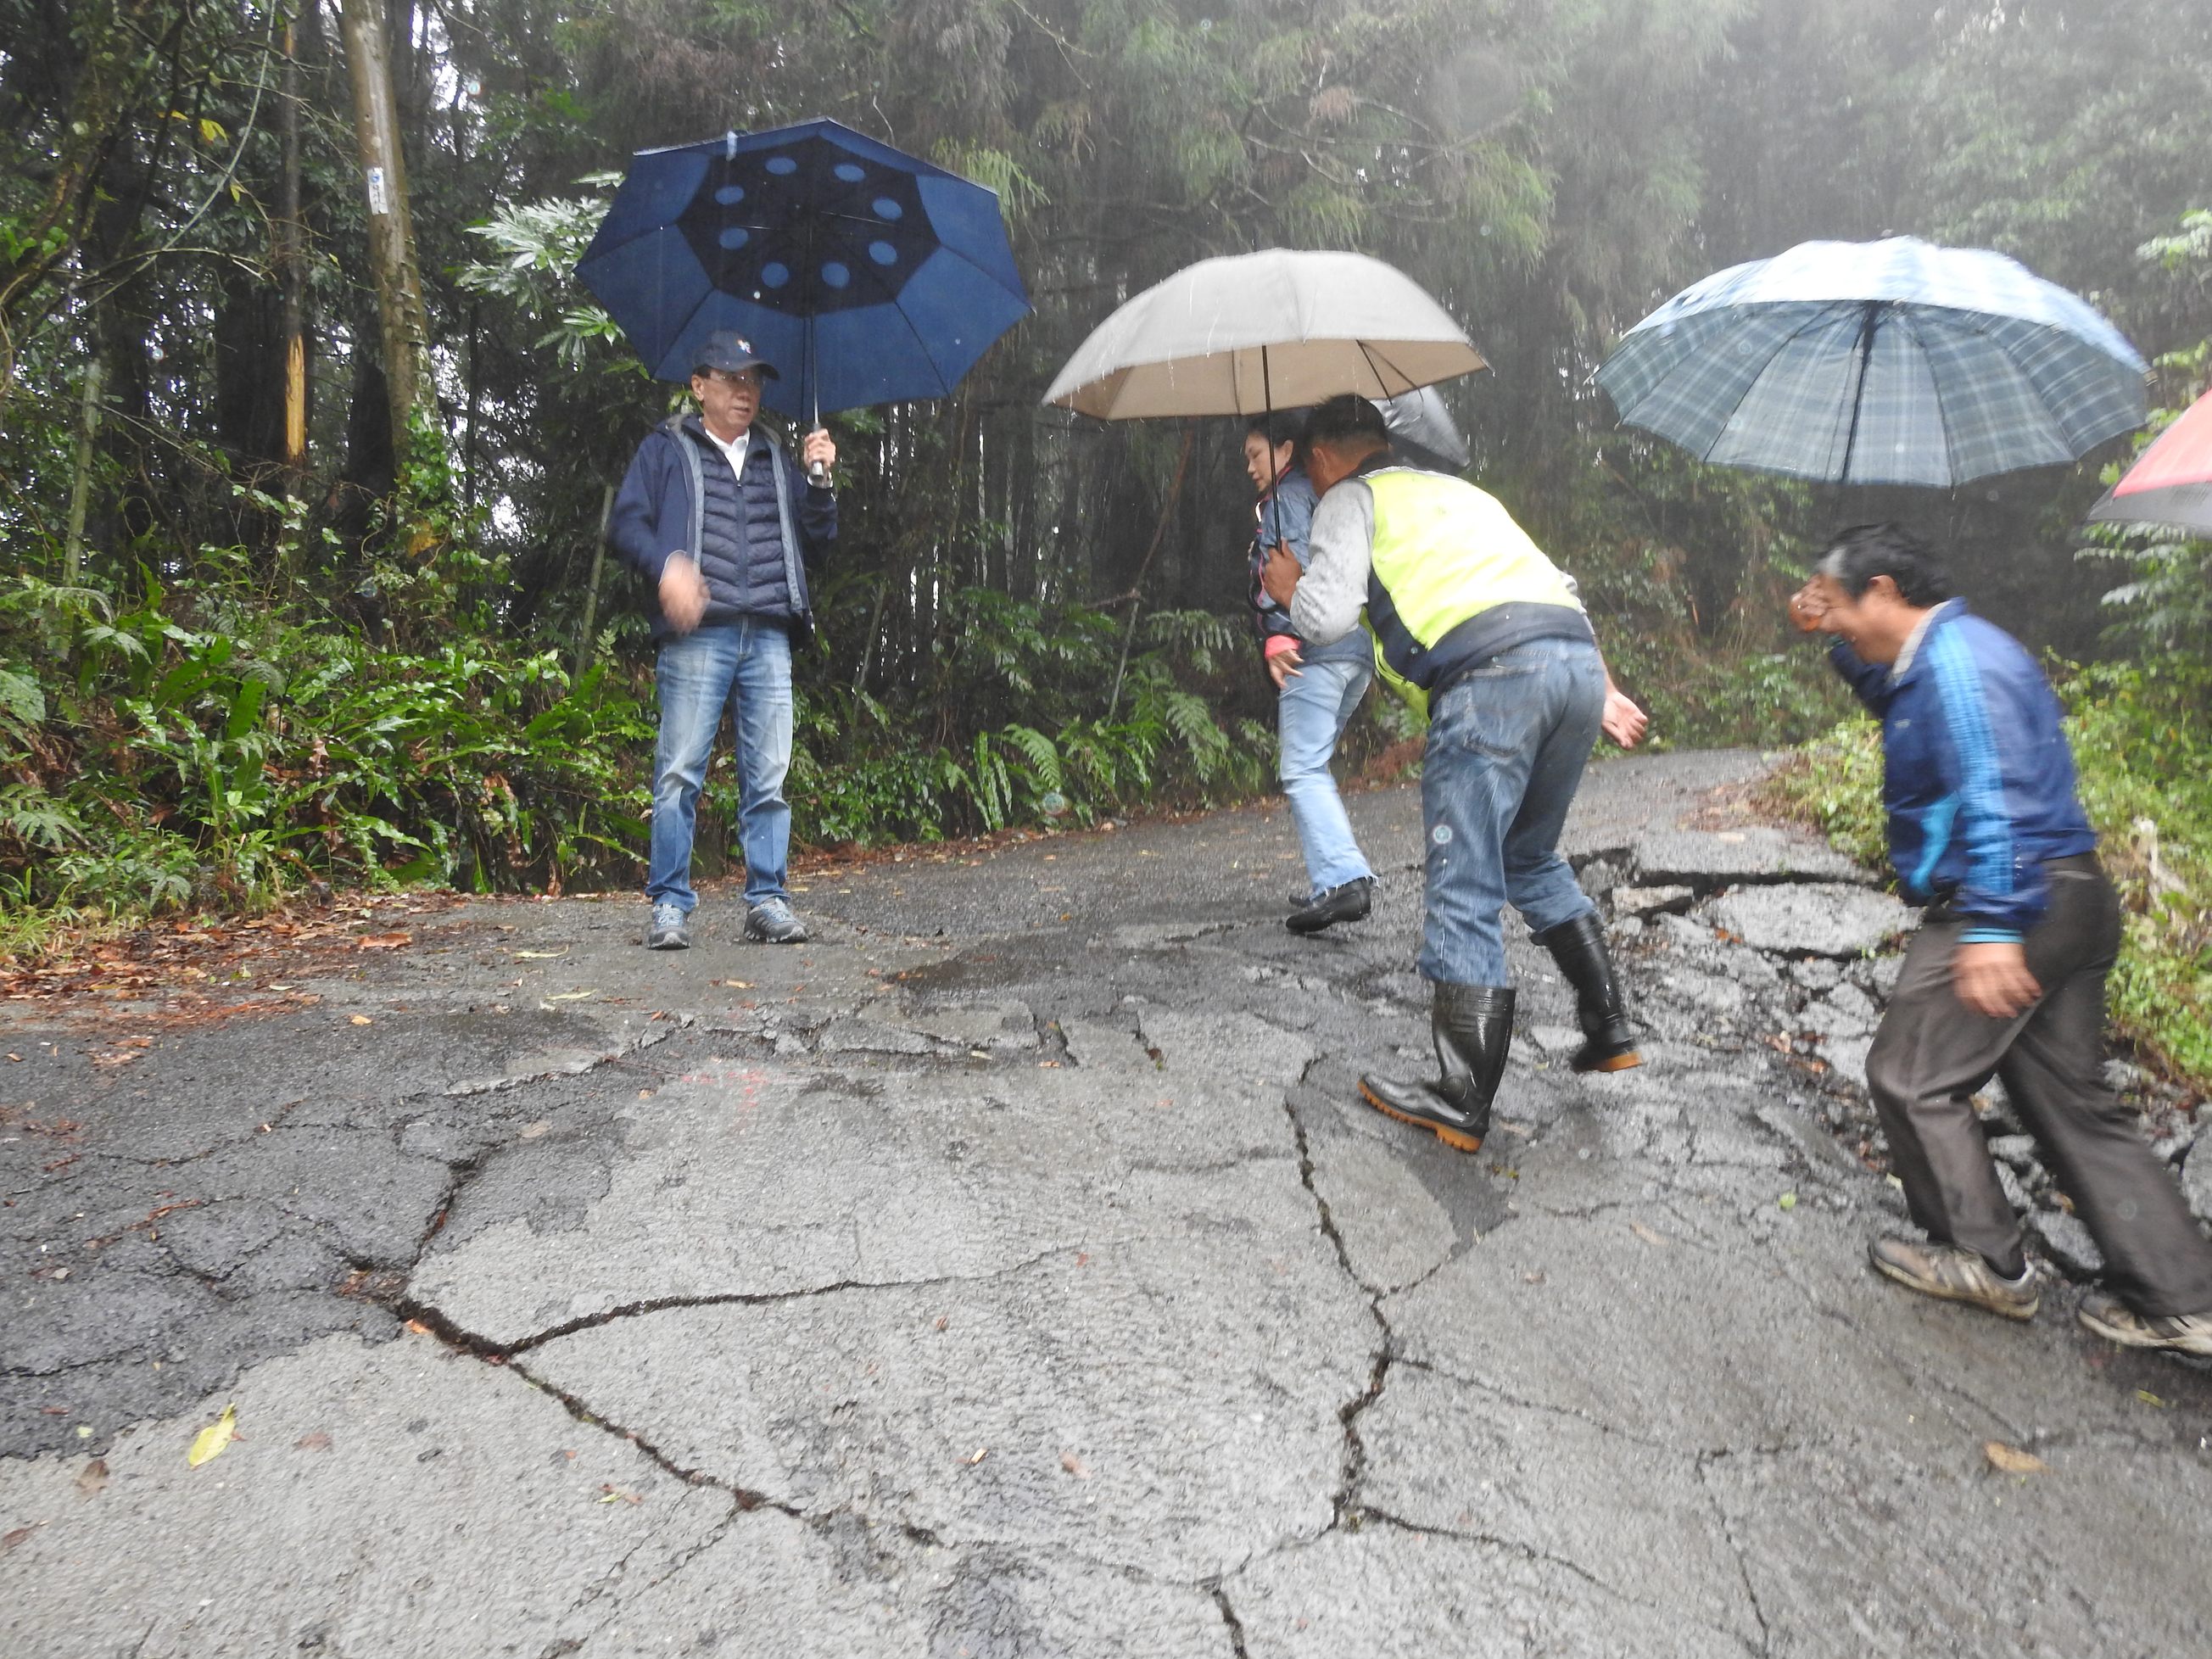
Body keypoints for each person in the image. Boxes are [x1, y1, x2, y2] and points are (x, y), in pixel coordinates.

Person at [1790, 523, 2212, 1354]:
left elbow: (1997, 793)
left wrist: (1990, 926)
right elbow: (1902, 709)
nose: (1829, 616)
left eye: (1836, 604)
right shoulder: (1946, 656)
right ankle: (2183, 1300)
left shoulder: (1959, 665)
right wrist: (1833, 642)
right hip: (2072, 893)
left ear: (1883, 591)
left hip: (2015, 897)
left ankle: (1987, 1262)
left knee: (1911, 1078)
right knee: (2069, 1100)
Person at [1262, 394, 1649, 1154]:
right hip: (1573, 667)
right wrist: (1603, 690)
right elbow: (1565, 592)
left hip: (1490, 679)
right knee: (1527, 855)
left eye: (1309, 466)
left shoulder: (1349, 500)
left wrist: (1287, 589)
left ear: (1323, 457)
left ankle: (1461, 1095)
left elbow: (1326, 618)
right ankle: (1608, 1024)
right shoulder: (1467, 496)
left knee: (1463, 876)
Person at [609, 329, 837, 950]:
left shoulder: (776, 456)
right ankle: (669, 904)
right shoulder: (665, 447)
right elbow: (626, 524)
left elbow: (818, 544)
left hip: (769, 631)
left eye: (753, 380)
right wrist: (667, 567)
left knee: (769, 779)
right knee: (679, 773)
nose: (746, 391)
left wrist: (820, 481)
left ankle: (767, 901)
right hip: (699, 634)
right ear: (698, 386)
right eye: (732, 379)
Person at [1243, 411, 1377, 933]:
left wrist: (1280, 631)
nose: (1250, 467)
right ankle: (1331, 879)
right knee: (1312, 764)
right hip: (1355, 651)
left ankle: (1344, 880)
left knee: (1301, 768)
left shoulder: (1287, 499)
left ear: (1286, 449)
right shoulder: (1323, 496)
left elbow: (1290, 571)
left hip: (1314, 648)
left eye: (1256, 454)